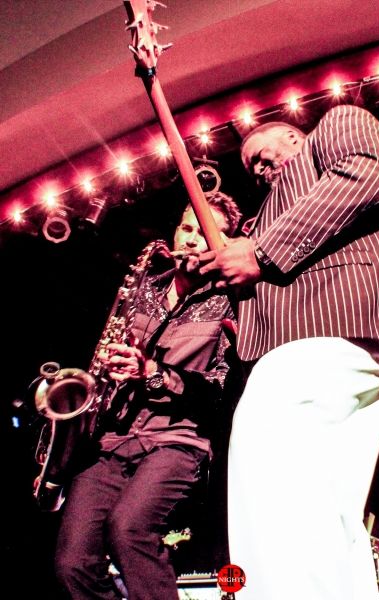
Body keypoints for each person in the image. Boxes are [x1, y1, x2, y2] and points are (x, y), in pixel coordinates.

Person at [198, 104, 379, 600]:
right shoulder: (266, 215)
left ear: (295, 138)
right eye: (252, 167)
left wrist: (258, 252)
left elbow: (366, 172)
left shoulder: (337, 124)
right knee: (325, 501)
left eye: (264, 155)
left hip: (345, 316)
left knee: (268, 466)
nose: (260, 169)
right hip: (335, 332)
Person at [54, 191, 242, 600]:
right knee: (72, 563)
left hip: (177, 441)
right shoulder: (142, 287)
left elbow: (220, 391)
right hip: (113, 438)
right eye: (187, 228)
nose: (191, 239)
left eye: (204, 234)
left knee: (129, 529)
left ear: (223, 245)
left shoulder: (232, 304)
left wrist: (152, 373)